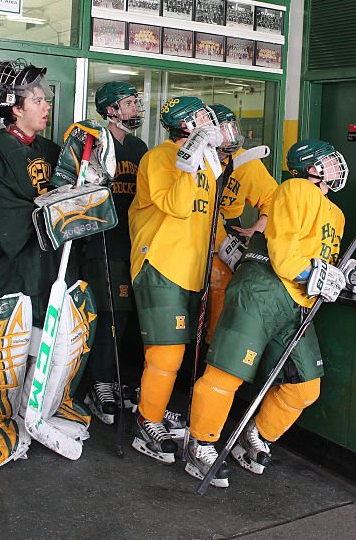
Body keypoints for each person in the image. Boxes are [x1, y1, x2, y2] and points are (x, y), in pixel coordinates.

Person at [185, 139, 356, 488]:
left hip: (298, 302)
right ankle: (200, 442)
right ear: (310, 167)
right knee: (227, 372)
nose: (336, 165)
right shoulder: (296, 189)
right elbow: (287, 256)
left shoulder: (336, 213)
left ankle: (253, 435)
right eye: (328, 161)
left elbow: (321, 257)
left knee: (305, 388)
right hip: (262, 290)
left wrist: (346, 272)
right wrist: (312, 272)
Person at [0, 59, 66, 467]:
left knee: (38, 350)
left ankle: (27, 418)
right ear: (12, 106)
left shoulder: (50, 150)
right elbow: (7, 220)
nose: (45, 105)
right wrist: (58, 211)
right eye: (36, 99)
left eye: (44, 98)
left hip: (35, 270)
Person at [128, 96, 223, 464]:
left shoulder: (209, 165)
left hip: (192, 270)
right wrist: (189, 162)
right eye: (201, 116)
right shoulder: (159, 157)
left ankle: (157, 404)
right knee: (166, 353)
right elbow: (179, 207)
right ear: (185, 123)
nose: (208, 120)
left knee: (179, 354)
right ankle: (146, 420)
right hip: (160, 265)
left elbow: (208, 219)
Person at [80, 81, 149, 425]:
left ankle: (115, 377)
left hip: (132, 241)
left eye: (136, 102)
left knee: (124, 316)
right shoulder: (93, 141)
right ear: (110, 109)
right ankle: (99, 383)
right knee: (106, 314)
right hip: (99, 240)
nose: (135, 107)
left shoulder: (139, 147)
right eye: (128, 103)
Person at [206, 103, 277, 345]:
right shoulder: (194, 158)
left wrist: (258, 228)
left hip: (226, 238)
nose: (230, 137)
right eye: (222, 131)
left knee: (221, 303)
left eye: (231, 129)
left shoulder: (246, 161)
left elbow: (274, 200)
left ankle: (212, 357)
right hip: (192, 238)